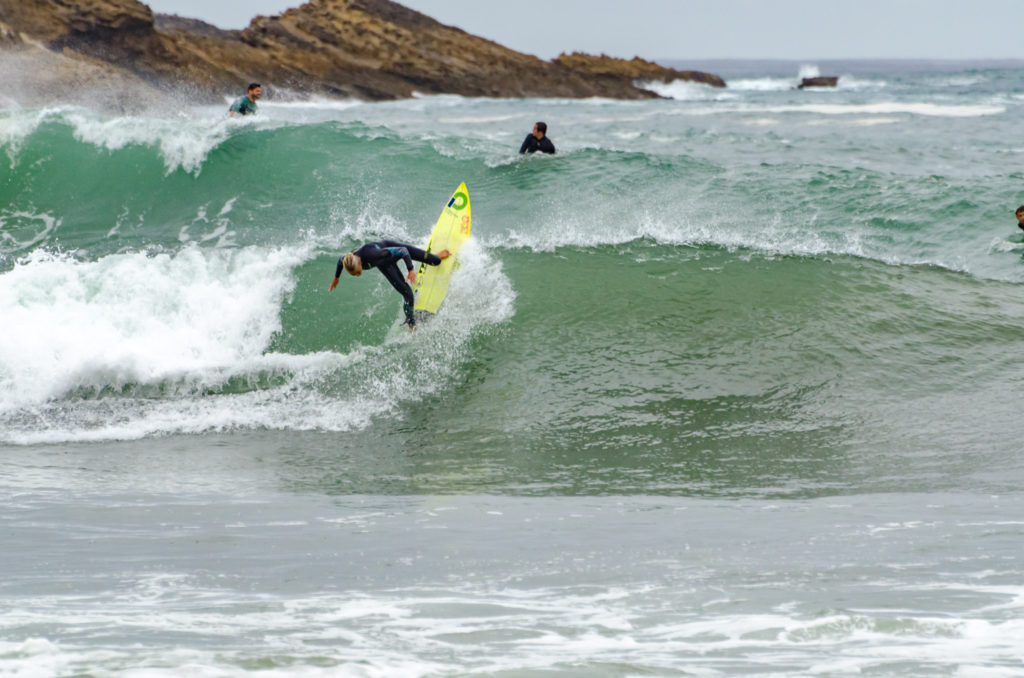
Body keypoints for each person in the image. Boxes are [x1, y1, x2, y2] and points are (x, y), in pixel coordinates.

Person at [329, 240, 451, 328]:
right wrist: (336, 278)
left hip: (390, 249)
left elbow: (403, 251)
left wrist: (411, 270)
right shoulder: (347, 260)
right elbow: (340, 263)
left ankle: (435, 256)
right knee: (407, 294)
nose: (357, 275)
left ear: (360, 261)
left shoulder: (374, 254)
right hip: (385, 264)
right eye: (354, 274)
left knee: (436, 261)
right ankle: (411, 323)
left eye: (357, 272)